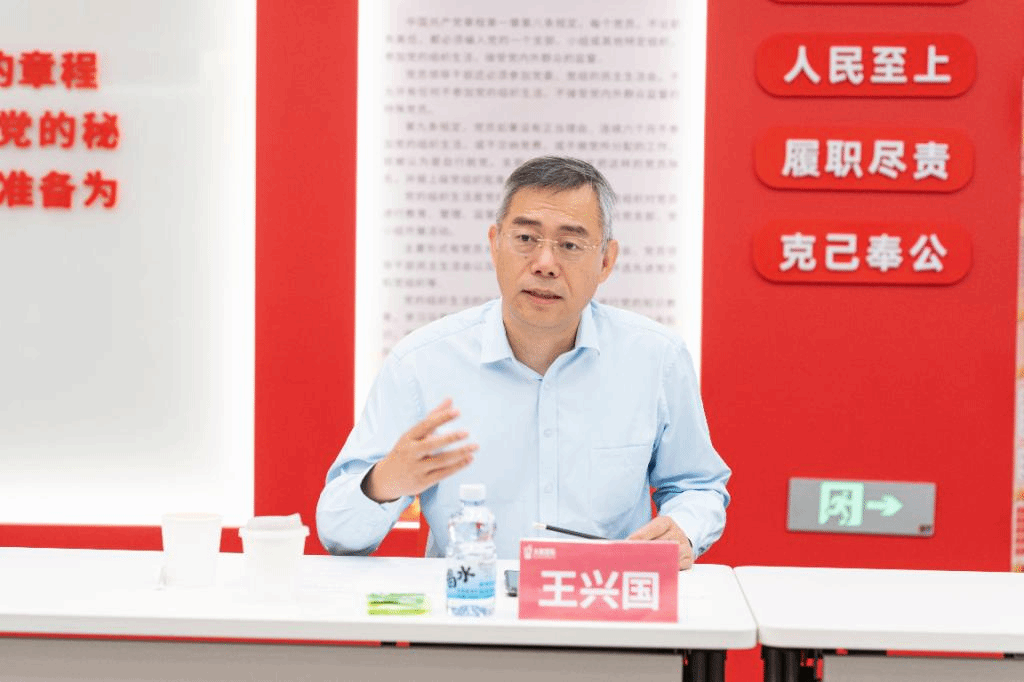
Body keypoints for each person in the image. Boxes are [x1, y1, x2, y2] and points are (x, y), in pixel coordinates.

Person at [316, 156, 730, 569]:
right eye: (526, 239)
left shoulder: (655, 358)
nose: (545, 264)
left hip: (604, 602)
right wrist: (386, 481)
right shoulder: (421, 365)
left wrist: (684, 527)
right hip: (471, 604)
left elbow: (698, 485)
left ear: (606, 261)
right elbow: (338, 532)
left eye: (570, 245)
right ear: (495, 245)